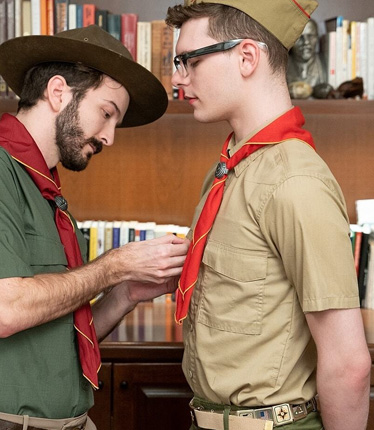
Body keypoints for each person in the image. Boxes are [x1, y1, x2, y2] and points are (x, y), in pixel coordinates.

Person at [0, 25, 189, 430]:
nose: (109, 137)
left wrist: (125, 292)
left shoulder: (49, 196)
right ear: (58, 92)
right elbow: (3, 311)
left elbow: (63, 338)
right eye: (107, 113)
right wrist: (113, 266)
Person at [166, 1, 371, 429]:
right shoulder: (229, 170)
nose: (177, 79)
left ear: (246, 57)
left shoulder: (295, 181)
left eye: (190, 61)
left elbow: (348, 364)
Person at [287, 19, 327, 88]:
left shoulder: (326, 63)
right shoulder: (281, 67)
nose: (306, 42)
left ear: (317, 37)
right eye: (299, 37)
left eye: (310, 36)